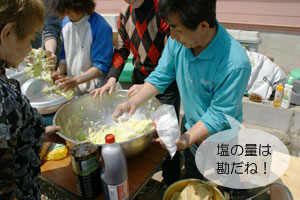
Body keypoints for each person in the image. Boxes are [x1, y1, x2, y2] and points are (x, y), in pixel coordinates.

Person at [112, 0, 251, 180]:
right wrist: (134, 102)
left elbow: (219, 114)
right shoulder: (178, 41)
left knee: (227, 175)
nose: (172, 35)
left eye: (175, 28)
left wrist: (185, 138)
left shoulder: (235, 63)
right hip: (192, 123)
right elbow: (161, 74)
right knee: (194, 177)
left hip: (222, 135)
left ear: (202, 26)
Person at [90, 0, 181, 186]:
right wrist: (112, 78)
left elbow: (169, 59)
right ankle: (144, 175)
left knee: (167, 132)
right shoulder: (125, 13)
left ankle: (171, 178)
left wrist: (149, 84)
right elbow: (122, 49)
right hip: (139, 79)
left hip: (165, 81)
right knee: (139, 131)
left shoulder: (163, 11)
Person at [0, 0, 65, 199]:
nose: (30, 49)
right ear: (8, 33)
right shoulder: (3, 103)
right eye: (29, 39)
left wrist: (38, 132)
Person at [51, 0, 113, 96]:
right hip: (73, 86)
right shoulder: (65, 23)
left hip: (96, 89)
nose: (67, 14)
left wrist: (76, 80)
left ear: (81, 6)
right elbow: (64, 55)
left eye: (69, 11)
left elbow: (101, 66)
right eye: (65, 12)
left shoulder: (101, 27)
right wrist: (58, 72)